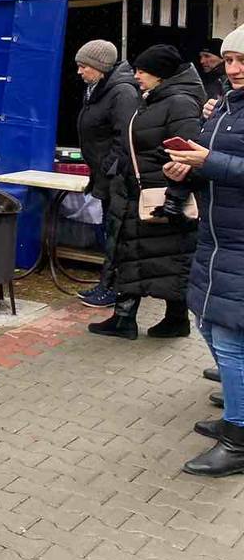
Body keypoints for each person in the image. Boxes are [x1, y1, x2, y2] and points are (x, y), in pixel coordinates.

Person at [164, 24, 244, 476]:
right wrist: (188, 172)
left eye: (242, 62)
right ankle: (237, 414)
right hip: (218, 238)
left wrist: (207, 161)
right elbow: (214, 166)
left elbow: (222, 162)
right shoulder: (227, 107)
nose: (233, 70)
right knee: (212, 329)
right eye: (229, 60)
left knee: (232, 340)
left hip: (238, 242)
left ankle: (239, 439)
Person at [88, 44, 203, 340]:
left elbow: (187, 153)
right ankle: (125, 318)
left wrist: (175, 196)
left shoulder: (179, 103)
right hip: (138, 191)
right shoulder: (153, 98)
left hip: (161, 196)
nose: (136, 75)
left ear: (160, 74)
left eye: (142, 71)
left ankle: (174, 319)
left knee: (167, 260)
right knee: (135, 255)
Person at [73, 40, 140, 309]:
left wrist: (108, 169)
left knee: (116, 234)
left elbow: (124, 137)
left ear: (99, 67)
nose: (79, 71)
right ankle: (106, 283)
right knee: (109, 232)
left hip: (117, 179)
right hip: (104, 175)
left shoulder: (121, 92)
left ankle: (112, 289)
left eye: (83, 66)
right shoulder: (97, 88)